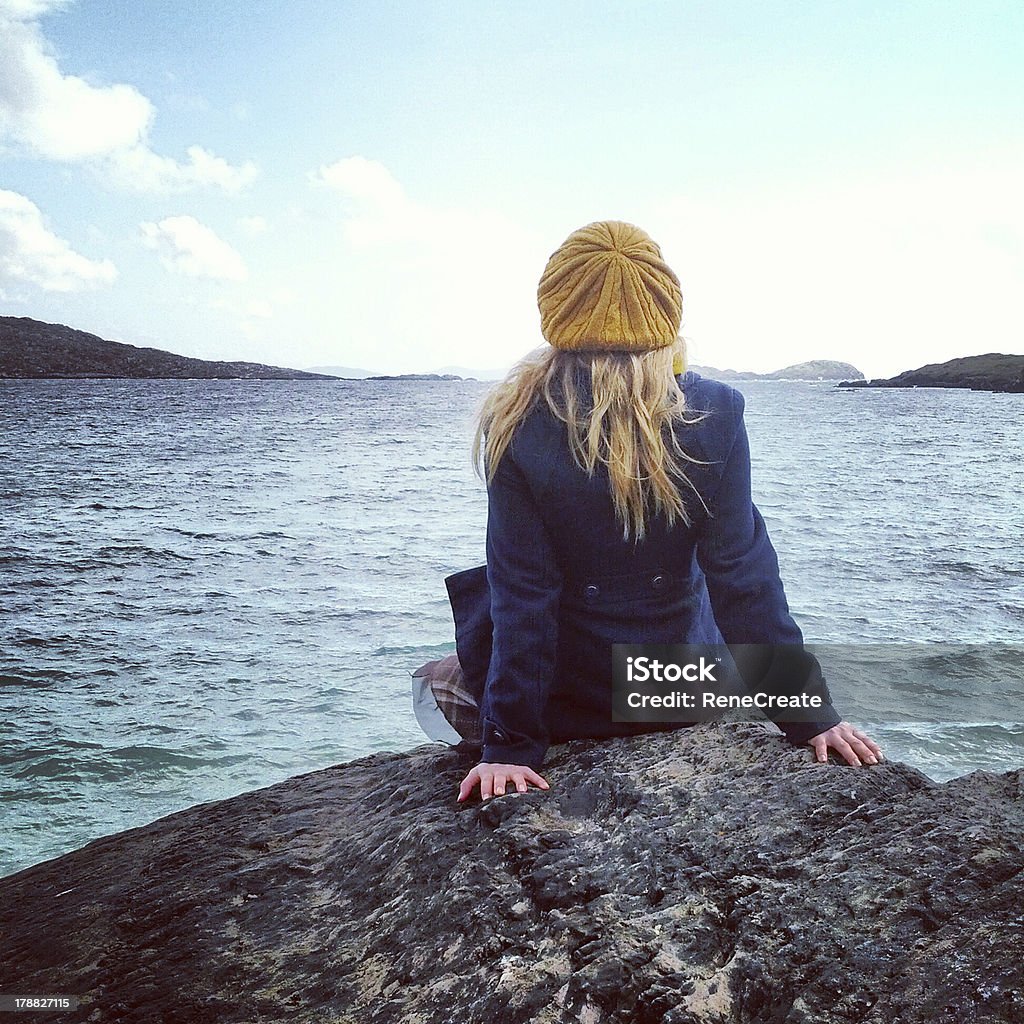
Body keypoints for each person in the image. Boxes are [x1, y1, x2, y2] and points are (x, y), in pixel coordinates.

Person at [429, 220, 884, 803]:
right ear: (664, 313)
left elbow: (523, 596)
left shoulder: (517, 421)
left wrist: (510, 748)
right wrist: (813, 717)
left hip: (576, 694)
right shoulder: (716, 411)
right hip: (679, 687)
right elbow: (744, 580)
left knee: (442, 676)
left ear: (557, 313)